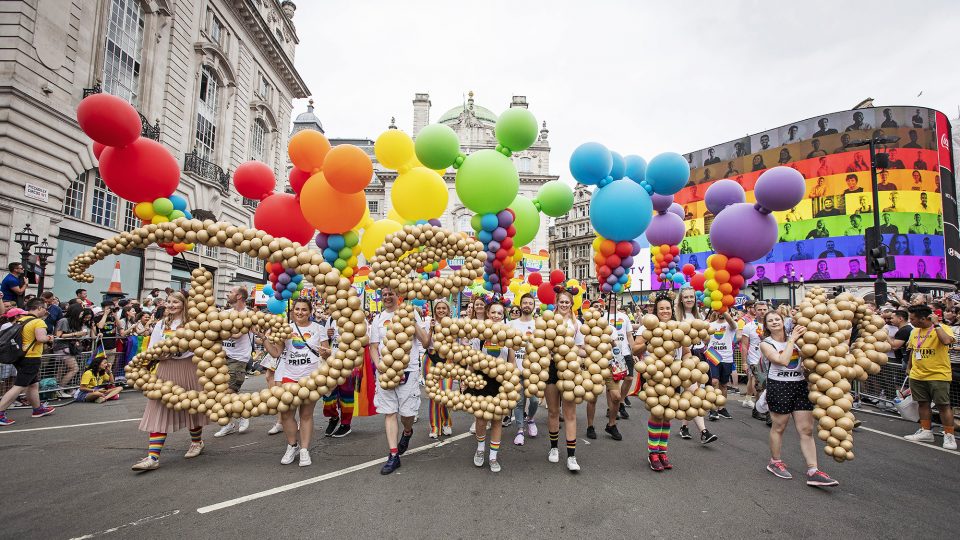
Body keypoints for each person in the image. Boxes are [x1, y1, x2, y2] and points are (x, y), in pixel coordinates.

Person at [760, 311, 839, 486]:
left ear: (783, 321)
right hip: (779, 386)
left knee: (806, 429)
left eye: (777, 319)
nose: (774, 322)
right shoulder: (767, 343)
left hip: (800, 385)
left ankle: (813, 469)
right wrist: (792, 340)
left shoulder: (799, 339)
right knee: (779, 427)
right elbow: (782, 360)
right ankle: (775, 462)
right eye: (770, 321)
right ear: (766, 325)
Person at [130, 292, 207, 471]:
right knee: (159, 408)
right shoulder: (161, 324)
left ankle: (197, 442)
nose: (171, 305)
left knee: (191, 407)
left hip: (187, 368)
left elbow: (197, 347)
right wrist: (156, 356)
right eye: (169, 302)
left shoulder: (192, 324)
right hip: (166, 369)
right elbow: (152, 347)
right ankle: (153, 457)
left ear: (184, 304)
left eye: (175, 302)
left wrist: (180, 351)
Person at [263, 298, 329, 466]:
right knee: (286, 414)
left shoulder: (319, 329)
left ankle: (305, 450)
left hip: (310, 378)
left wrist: (326, 353)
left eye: (304, 310)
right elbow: (277, 353)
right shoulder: (286, 329)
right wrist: (264, 339)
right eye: (297, 309)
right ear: (292, 311)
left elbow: (325, 353)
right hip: (289, 376)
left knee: (306, 415)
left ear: (310, 312)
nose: (300, 312)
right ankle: (292, 446)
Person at [371, 287, 427, 474]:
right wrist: (379, 365)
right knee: (389, 412)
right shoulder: (378, 319)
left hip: (408, 370)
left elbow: (425, 342)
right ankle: (393, 455)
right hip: (385, 372)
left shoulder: (411, 313)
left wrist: (414, 321)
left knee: (407, 414)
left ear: (398, 296)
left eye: (391, 294)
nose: (387, 297)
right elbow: (373, 346)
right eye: (384, 294)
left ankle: (408, 431)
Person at [634, 295, 681, 472]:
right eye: (661, 308)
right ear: (655, 310)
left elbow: (685, 352)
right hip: (654, 374)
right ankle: (653, 452)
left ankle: (663, 451)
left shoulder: (678, 327)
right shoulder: (647, 327)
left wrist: (688, 364)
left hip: (673, 374)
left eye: (668, 308)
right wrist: (649, 340)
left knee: (668, 414)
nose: (665, 311)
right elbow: (636, 349)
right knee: (657, 412)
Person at [902, 304, 956, 449]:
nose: (910, 321)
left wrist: (937, 324)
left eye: (912, 319)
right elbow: (913, 350)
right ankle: (926, 431)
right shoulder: (914, 332)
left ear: (923, 318)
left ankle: (949, 436)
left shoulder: (943, 328)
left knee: (944, 406)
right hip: (918, 375)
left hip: (938, 375)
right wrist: (909, 368)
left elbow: (946, 341)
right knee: (922, 403)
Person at [0, 298, 56, 426]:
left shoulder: (22, 319)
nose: (46, 311)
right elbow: (41, 338)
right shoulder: (38, 322)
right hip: (31, 357)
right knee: (20, 385)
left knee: (33, 384)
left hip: (20, 355)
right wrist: (50, 337)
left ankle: (37, 409)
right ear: (40, 308)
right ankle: (1, 411)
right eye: (45, 308)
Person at [470, 301, 511, 472]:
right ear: (488, 314)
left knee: (497, 420)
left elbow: (512, 362)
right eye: (493, 312)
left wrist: (511, 382)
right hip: (482, 380)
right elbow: (471, 361)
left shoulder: (508, 336)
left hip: (501, 381)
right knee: (481, 419)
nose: (495, 315)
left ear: (503, 316)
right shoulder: (478, 335)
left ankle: (493, 457)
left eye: (499, 313)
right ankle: (480, 450)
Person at [675, 289, 719, 444]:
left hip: (699, 355)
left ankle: (684, 427)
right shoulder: (677, 317)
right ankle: (704, 432)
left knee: (691, 393)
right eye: (685, 297)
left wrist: (706, 333)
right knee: (694, 393)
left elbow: (705, 340)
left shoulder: (699, 315)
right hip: (684, 357)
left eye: (691, 297)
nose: (688, 299)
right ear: (680, 299)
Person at [214, 286, 255, 438]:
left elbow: (237, 334)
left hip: (238, 359)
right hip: (221, 357)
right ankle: (228, 423)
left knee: (229, 391)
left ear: (238, 296)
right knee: (218, 394)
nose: (227, 294)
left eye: (231, 292)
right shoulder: (225, 313)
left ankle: (242, 412)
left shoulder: (249, 314)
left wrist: (221, 329)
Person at [585, 301, 628, 442]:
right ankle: (590, 426)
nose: (598, 308)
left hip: (610, 366)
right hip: (593, 366)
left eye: (600, 307)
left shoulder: (611, 329)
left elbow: (616, 349)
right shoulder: (587, 329)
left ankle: (611, 424)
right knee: (593, 398)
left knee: (616, 396)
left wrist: (612, 342)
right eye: (595, 306)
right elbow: (583, 348)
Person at [509, 294, 538, 445]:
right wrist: (512, 366)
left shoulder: (538, 324)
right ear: (520, 305)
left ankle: (531, 419)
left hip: (534, 370)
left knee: (534, 400)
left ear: (534, 306)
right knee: (519, 402)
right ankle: (520, 429)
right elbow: (509, 347)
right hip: (517, 369)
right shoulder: (511, 324)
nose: (527, 305)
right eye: (525, 302)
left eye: (530, 303)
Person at [425, 299, 454, 439]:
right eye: (438, 308)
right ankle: (434, 426)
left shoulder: (454, 324)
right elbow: (425, 344)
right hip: (430, 360)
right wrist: (431, 329)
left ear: (448, 310)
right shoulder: (428, 323)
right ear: (435, 310)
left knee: (444, 395)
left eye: (444, 308)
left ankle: (447, 422)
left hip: (447, 361)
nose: (441, 310)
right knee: (433, 396)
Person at [705, 310, 738, 421]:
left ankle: (722, 408)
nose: (721, 313)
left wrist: (724, 310)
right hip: (713, 354)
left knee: (724, 384)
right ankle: (713, 409)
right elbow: (705, 339)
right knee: (714, 381)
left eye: (723, 310)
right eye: (718, 311)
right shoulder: (710, 325)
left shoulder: (731, 325)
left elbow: (732, 323)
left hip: (727, 357)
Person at [54, 303, 91, 399]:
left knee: (62, 369)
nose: (81, 315)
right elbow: (59, 335)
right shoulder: (64, 320)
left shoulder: (74, 322)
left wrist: (79, 335)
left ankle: (57, 389)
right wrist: (76, 334)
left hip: (70, 348)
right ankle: (60, 389)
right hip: (62, 348)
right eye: (81, 313)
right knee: (74, 368)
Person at [740, 301, 768, 416]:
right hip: (754, 360)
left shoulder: (771, 324)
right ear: (754, 311)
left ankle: (759, 408)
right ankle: (761, 410)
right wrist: (744, 362)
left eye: (764, 309)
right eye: (759, 310)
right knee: (759, 385)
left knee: (767, 385)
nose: (762, 312)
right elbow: (745, 345)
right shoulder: (749, 326)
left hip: (769, 359)